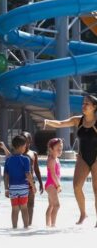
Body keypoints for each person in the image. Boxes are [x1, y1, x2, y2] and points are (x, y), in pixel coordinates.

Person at [44, 94, 97, 227]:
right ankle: (83, 213)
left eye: (87, 104)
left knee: (96, 190)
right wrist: (48, 122)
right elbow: (61, 123)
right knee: (77, 186)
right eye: (83, 103)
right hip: (83, 158)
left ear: (94, 107)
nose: (83, 106)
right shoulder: (77, 120)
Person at [4, 135, 36, 229]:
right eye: (25, 146)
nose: (25, 148)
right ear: (22, 146)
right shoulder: (25, 159)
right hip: (23, 187)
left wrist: (6, 188)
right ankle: (26, 227)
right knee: (24, 208)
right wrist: (33, 185)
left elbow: (6, 176)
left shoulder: (8, 159)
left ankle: (14, 228)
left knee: (14, 209)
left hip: (12, 187)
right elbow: (28, 174)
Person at [21, 131, 44, 226]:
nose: (24, 142)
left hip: (30, 182)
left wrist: (41, 183)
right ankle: (23, 224)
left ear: (29, 141)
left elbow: (36, 169)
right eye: (22, 139)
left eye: (25, 140)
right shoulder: (18, 153)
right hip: (20, 181)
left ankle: (29, 224)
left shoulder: (33, 154)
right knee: (21, 205)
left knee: (31, 204)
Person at [45, 138, 63, 227]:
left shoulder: (56, 159)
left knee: (51, 205)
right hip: (51, 185)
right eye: (58, 147)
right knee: (57, 205)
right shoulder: (51, 159)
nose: (60, 149)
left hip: (53, 185)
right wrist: (58, 185)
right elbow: (53, 175)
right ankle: (53, 225)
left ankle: (48, 225)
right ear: (51, 149)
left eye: (61, 147)